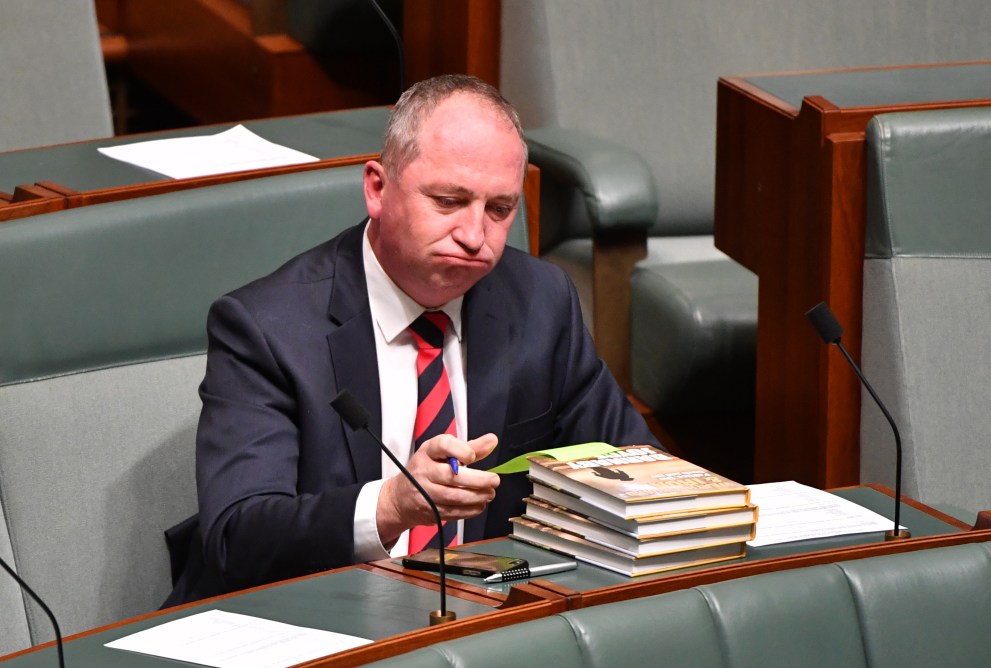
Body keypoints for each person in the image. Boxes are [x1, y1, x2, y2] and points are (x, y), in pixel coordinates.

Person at [176, 74, 658, 602]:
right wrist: (391, 505)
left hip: (487, 612)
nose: (475, 236)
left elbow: (637, 466)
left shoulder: (541, 302)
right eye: (449, 201)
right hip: (313, 612)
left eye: (499, 210)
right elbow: (237, 537)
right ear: (377, 189)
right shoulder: (267, 327)